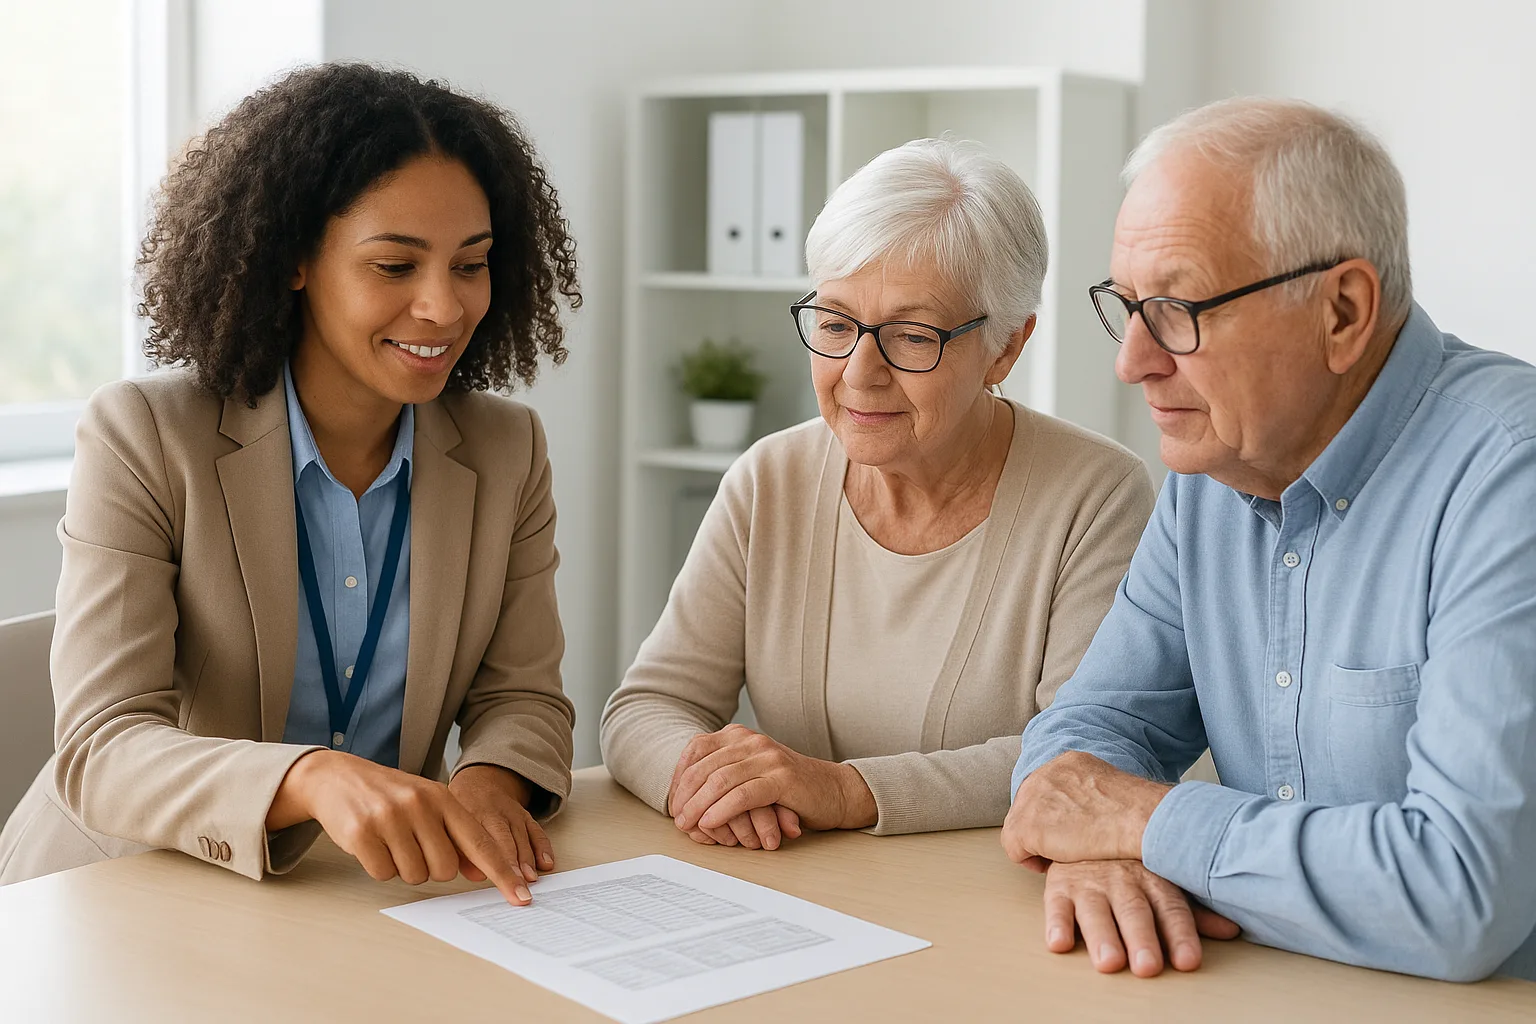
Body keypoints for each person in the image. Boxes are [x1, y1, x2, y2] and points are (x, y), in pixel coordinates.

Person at [0, 64, 582, 906]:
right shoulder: (146, 435)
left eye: (471, 265)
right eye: (394, 266)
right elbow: (104, 747)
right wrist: (310, 778)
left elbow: (521, 693)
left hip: (359, 898)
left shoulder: (506, 448)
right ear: (295, 260)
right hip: (122, 891)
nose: (444, 307)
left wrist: (489, 784)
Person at [1003, 97, 1536, 982]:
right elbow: (1086, 737)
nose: (1132, 360)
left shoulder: (1510, 476)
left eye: (1175, 309)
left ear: (1343, 312)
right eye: (1126, 307)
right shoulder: (1212, 470)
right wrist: (1095, 851)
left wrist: (1143, 824)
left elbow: (1460, 895)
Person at [601, 139, 1154, 850]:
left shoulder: (1096, 496)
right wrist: (708, 782)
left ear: (1007, 348)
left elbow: (1082, 760)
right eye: (834, 324)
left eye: (912, 335)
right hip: (803, 888)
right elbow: (650, 704)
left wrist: (842, 791)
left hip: (988, 908)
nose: (859, 372)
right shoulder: (770, 479)